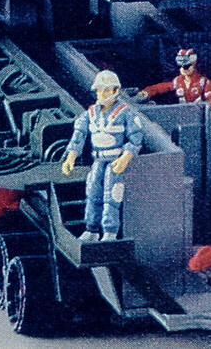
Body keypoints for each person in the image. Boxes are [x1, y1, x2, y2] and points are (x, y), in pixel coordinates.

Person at [61, 69, 147, 242]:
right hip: (98, 159)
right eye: (99, 90)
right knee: (93, 191)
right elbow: (78, 135)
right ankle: (91, 228)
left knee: (112, 194)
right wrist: (71, 157)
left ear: (116, 90)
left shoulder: (125, 113)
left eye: (106, 90)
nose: (101, 94)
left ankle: (110, 231)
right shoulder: (91, 113)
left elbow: (136, 139)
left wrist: (125, 158)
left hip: (115, 160)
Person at [137, 46, 211, 107]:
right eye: (180, 66)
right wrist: (147, 92)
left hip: (198, 117)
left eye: (186, 66)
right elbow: (162, 87)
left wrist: (208, 104)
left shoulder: (204, 82)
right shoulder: (178, 81)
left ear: (194, 65)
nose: (183, 69)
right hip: (182, 115)